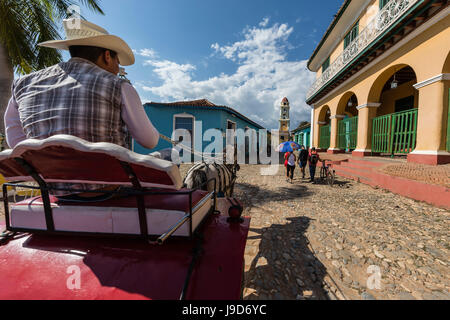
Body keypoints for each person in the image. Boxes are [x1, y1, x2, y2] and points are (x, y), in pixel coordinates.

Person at [4, 19, 160, 198]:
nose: (118, 68)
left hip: (55, 192)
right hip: (109, 192)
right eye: (117, 60)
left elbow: (15, 142)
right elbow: (149, 141)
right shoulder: (118, 86)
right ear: (107, 56)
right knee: (165, 155)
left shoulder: (22, 84)